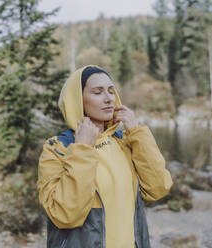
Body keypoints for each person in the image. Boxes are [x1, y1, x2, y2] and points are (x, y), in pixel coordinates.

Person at [37, 65, 173, 248]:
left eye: (111, 91)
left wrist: (137, 133)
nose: (109, 99)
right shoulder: (57, 149)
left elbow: (158, 188)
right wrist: (82, 149)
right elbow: (65, 215)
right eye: (98, 92)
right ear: (78, 100)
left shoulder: (124, 142)